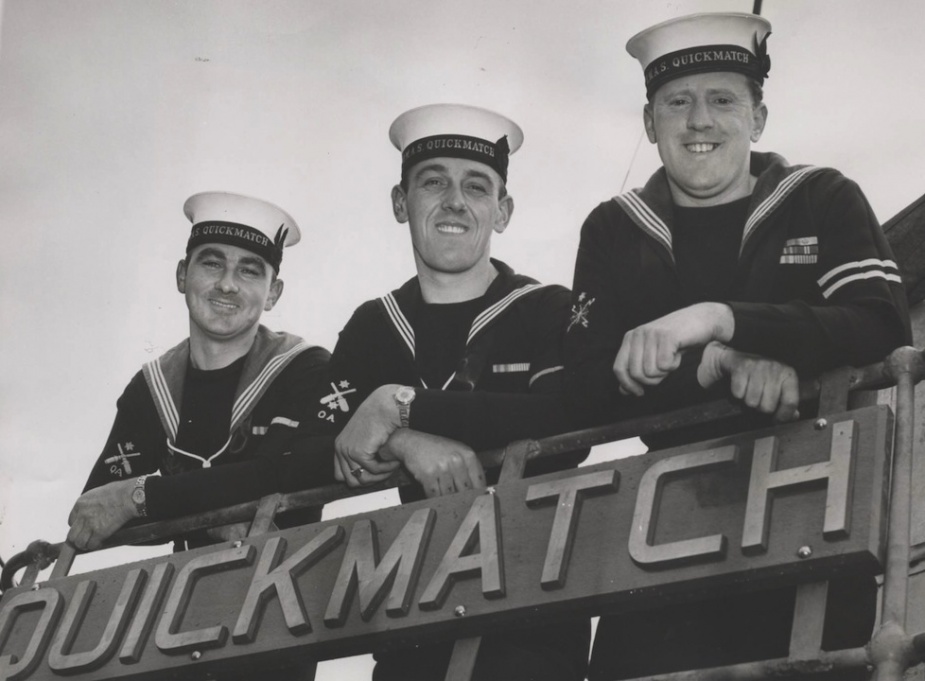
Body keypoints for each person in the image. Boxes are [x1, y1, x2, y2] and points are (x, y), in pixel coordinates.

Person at [563, 12, 912, 680]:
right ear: (648, 123)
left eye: (721, 99)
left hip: (813, 534)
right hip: (659, 551)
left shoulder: (820, 197)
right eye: (676, 102)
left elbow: (878, 323)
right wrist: (718, 364)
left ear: (756, 118)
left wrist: (717, 318)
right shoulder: (612, 228)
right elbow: (582, 388)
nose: (698, 120)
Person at [326, 104, 590, 681]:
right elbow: (325, 442)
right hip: (411, 620)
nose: (454, 201)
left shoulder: (546, 307)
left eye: (477, 186)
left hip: (532, 618)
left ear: (503, 210)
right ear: (401, 203)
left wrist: (400, 406)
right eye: (433, 182)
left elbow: (566, 424)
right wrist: (406, 443)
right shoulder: (374, 324)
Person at [68, 192, 335, 553]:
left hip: (294, 580)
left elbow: (293, 470)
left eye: (249, 270)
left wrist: (143, 495)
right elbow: (96, 510)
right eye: (212, 264)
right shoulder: (153, 386)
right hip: (187, 594)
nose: (227, 284)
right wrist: (214, 519)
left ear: (272, 293)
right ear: (182, 275)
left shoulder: (306, 368)